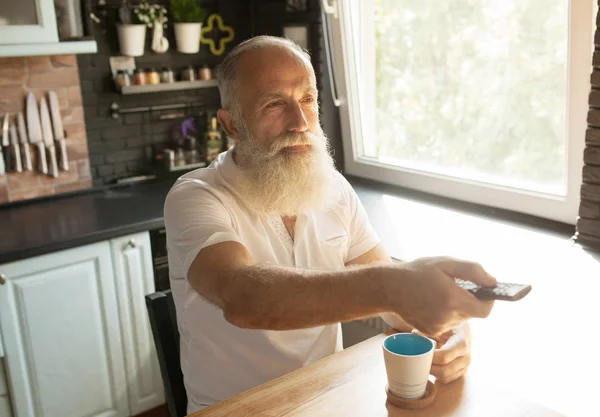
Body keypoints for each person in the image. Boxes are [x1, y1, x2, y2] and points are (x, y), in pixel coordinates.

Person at [164, 35, 496, 413]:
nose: (300, 121)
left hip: (326, 401)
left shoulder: (332, 187)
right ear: (232, 124)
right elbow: (243, 298)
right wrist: (394, 286)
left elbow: (397, 302)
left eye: (307, 99)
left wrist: (449, 328)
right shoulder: (195, 196)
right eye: (275, 104)